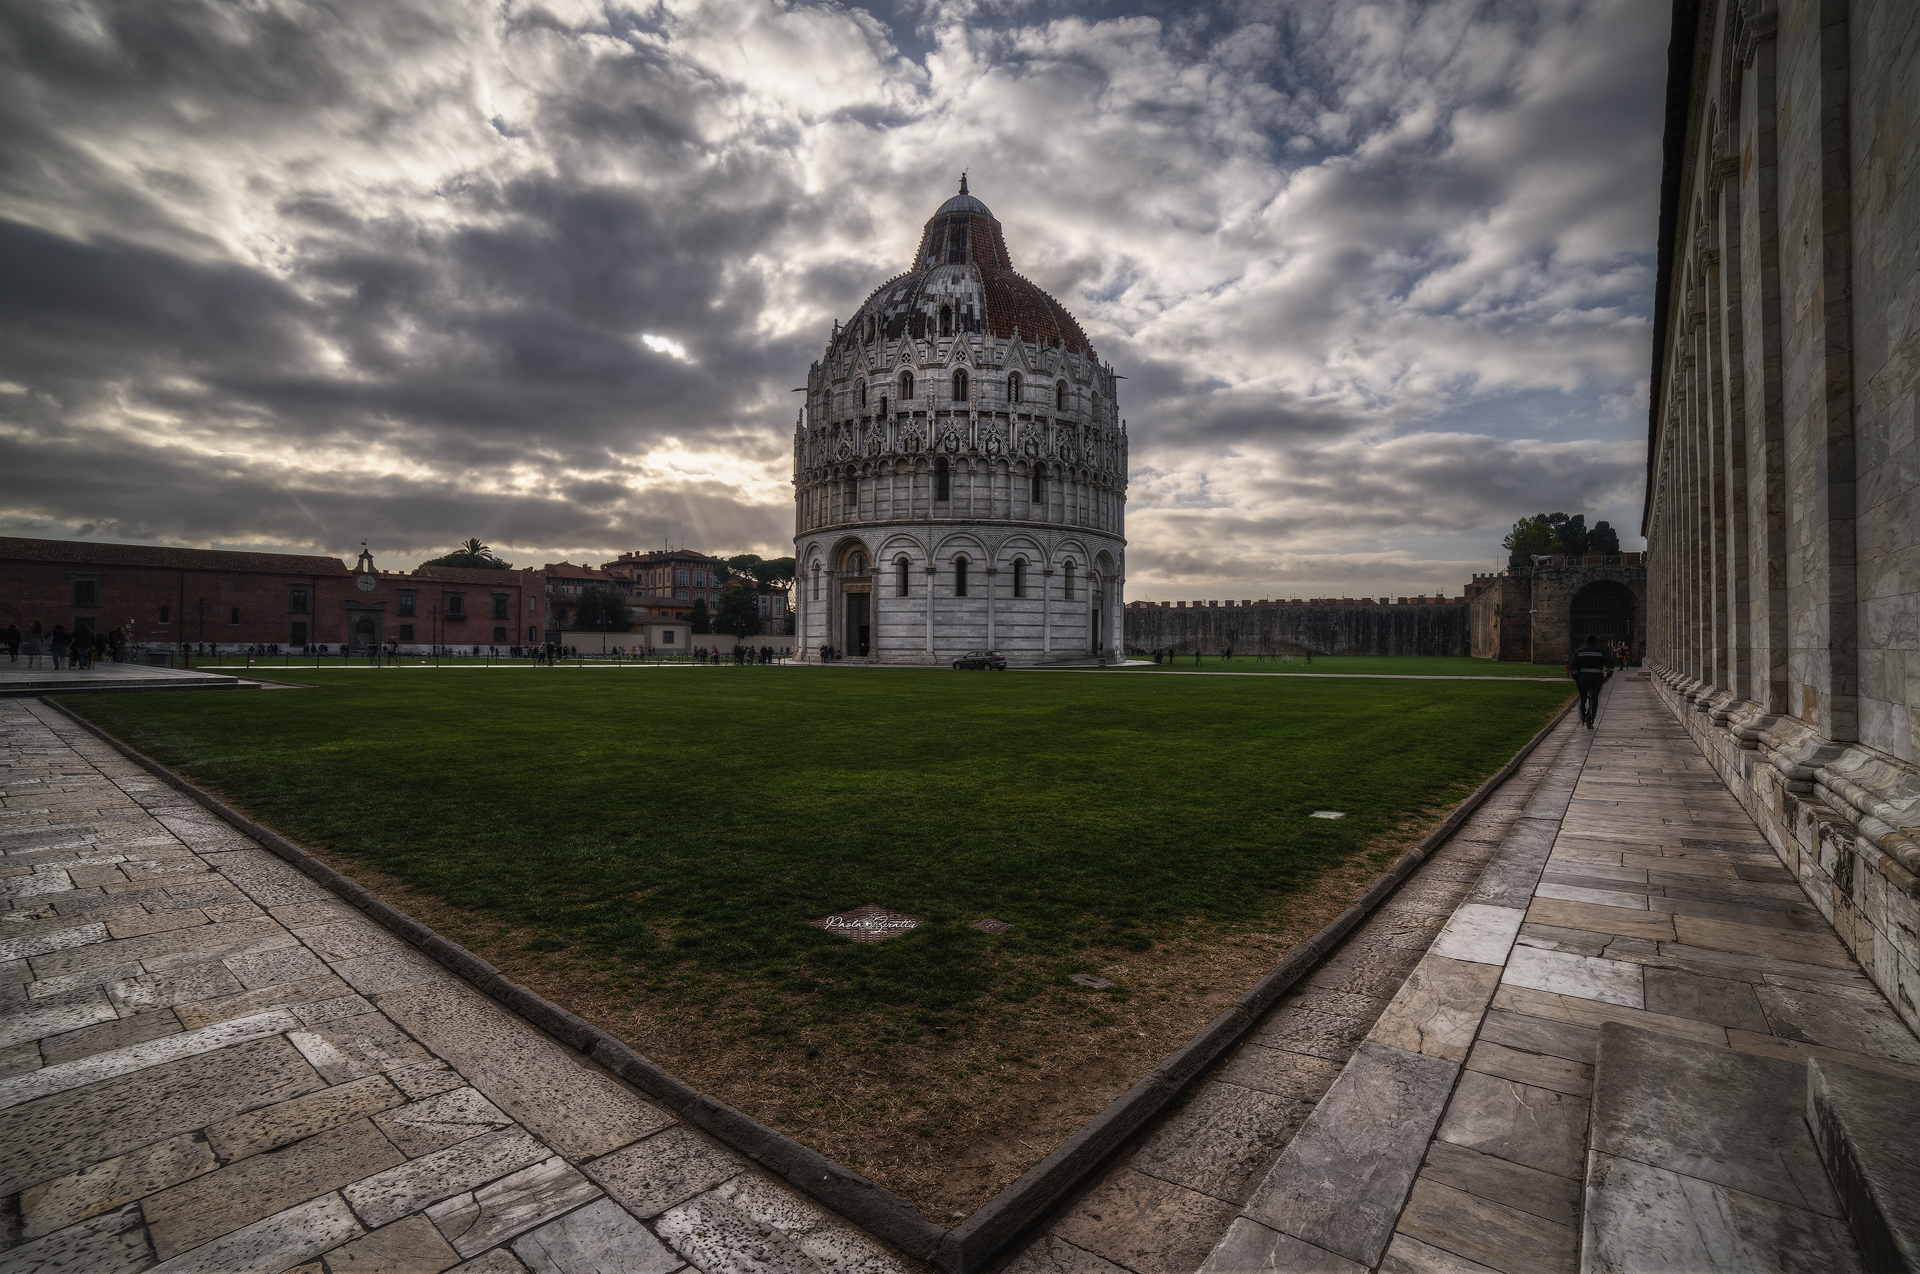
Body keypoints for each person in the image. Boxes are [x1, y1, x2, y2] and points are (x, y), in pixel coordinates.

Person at [1566, 631, 1618, 729]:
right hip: (1596, 678)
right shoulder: (1601, 651)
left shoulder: (1579, 651)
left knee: (1583, 697)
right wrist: (1608, 675)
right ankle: (1590, 719)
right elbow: (1610, 663)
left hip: (1582, 678)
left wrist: (1576, 677)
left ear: (1585, 641)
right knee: (1593, 699)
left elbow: (1572, 665)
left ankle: (1582, 715)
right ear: (1595, 641)